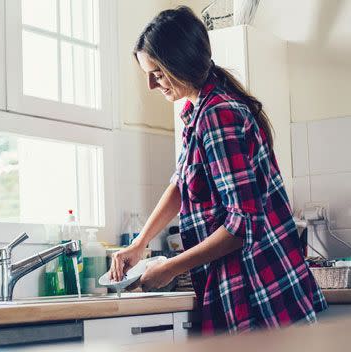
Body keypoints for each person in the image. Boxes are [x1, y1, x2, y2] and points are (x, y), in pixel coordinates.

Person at [109, 6, 327, 334]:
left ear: (179, 62)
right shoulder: (196, 113)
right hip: (250, 289)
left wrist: (169, 267)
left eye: (157, 72)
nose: (153, 85)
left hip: (261, 292)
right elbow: (182, 184)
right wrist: (140, 243)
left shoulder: (218, 116)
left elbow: (240, 226)